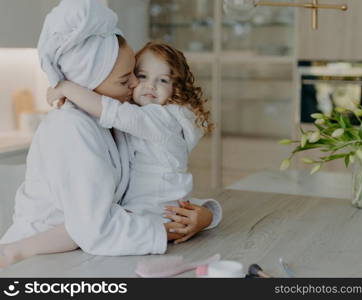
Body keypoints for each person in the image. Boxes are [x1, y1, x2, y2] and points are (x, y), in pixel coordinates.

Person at [0, 0, 220, 268]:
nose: (137, 85)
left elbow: (154, 187)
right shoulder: (73, 129)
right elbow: (97, 230)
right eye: (127, 78)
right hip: (37, 263)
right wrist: (172, 229)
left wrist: (205, 214)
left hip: (84, 255)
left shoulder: (117, 126)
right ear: (89, 83)